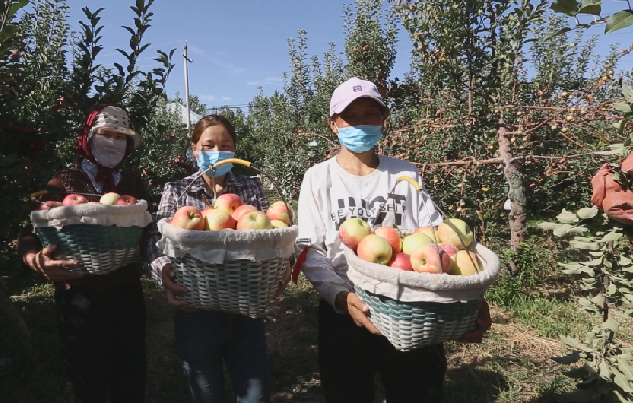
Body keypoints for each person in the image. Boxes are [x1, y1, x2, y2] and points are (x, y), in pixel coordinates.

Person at [297, 77, 492, 403]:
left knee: (416, 391)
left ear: (384, 120)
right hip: (345, 310)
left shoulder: (405, 173)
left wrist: (471, 295)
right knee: (346, 394)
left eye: (371, 114)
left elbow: (442, 238)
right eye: (350, 116)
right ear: (334, 124)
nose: (361, 123)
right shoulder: (318, 178)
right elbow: (310, 248)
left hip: (411, 305)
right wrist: (339, 296)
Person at [148, 114, 288, 403]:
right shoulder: (176, 190)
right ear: (194, 148)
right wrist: (164, 271)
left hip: (245, 303)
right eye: (208, 145)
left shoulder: (250, 188)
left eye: (225, 145)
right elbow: (157, 241)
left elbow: (272, 236)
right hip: (194, 306)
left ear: (235, 149)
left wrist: (283, 264)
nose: (216, 152)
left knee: (255, 394)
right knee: (206, 393)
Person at [16, 104, 150, 403]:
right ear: (89, 138)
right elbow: (30, 232)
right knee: (87, 376)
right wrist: (35, 260)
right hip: (78, 292)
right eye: (106, 134)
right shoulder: (64, 182)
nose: (113, 142)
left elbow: (147, 228)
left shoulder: (133, 182)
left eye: (121, 136)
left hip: (126, 290)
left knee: (130, 372)